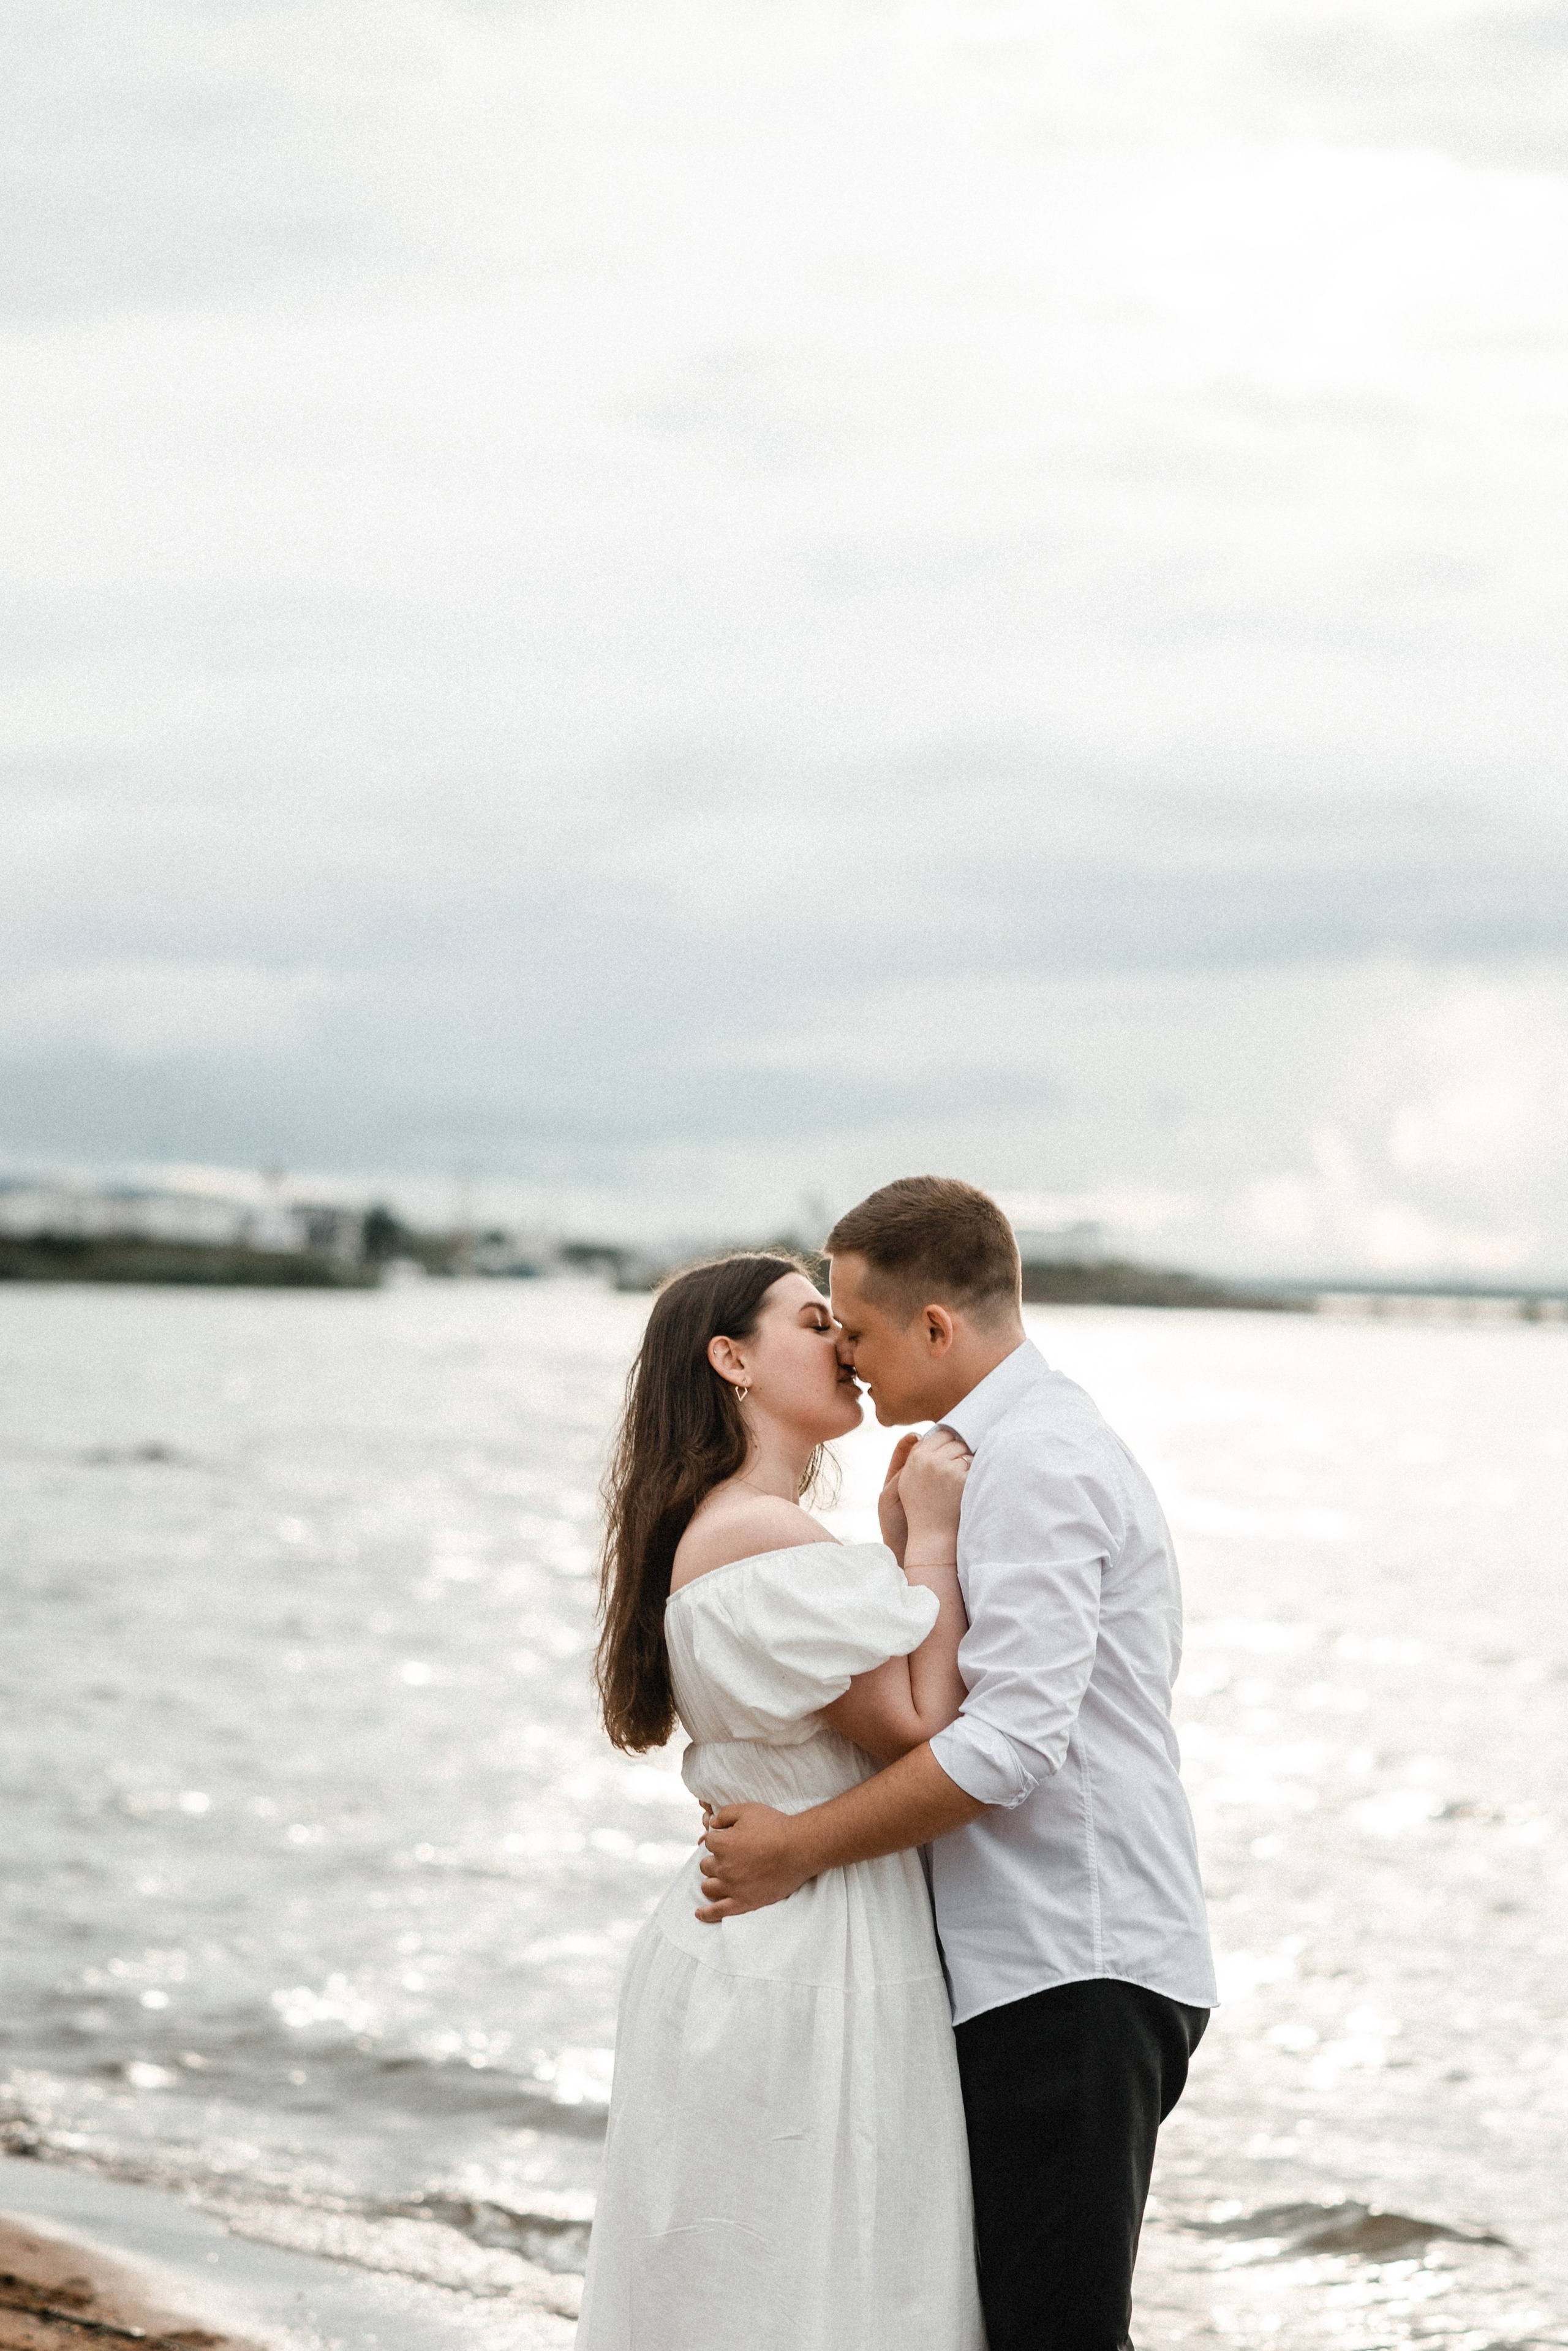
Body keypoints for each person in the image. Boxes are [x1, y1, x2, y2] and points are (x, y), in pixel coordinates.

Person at [696, 1178, 1218, 2351]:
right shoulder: (976, 1457)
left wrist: (796, 1848)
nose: (851, 1358)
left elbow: (1010, 1745)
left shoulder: (1035, 1460)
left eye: (862, 1332)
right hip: (1026, 1961)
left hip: (1074, 1960)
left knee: (1057, 2335)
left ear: (938, 1325)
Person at [576, 1251, 986, 2351]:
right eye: (815, 1321)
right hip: (810, 1946)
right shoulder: (763, 1533)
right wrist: (935, 1543)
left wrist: (898, 1558)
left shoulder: (726, 1531)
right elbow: (916, 1728)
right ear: (733, 1358)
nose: (846, 1343)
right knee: (819, 2273)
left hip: (750, 1937)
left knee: (742, 2278)